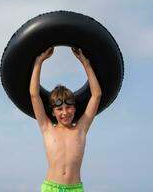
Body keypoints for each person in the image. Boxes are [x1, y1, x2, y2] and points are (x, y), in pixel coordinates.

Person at [30, 46, 102, 192]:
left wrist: (86, 64)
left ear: (74, 108)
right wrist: (39, 62)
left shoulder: (81, 129)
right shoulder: (47, 128)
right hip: (51, 187)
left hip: (75, 188)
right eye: (59, 109)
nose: (65, 113)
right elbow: (34, 95)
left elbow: (96, 95)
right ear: (53, 113)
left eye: (69, 107)